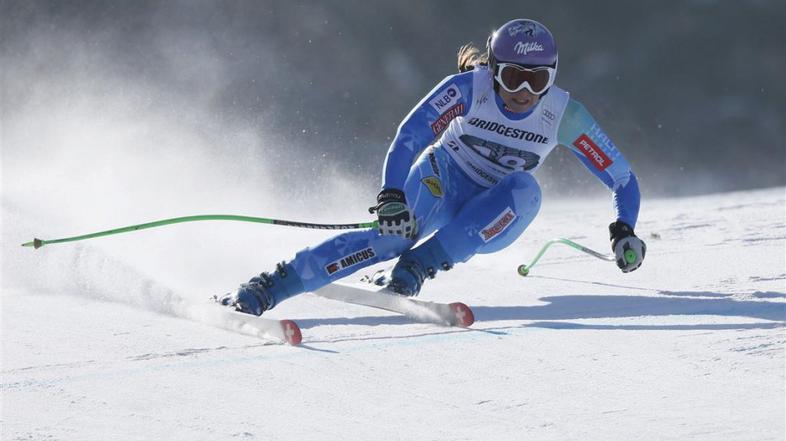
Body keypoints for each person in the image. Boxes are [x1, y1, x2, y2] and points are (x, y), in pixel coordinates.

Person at [217, 18, 646, 316]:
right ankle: (271, 285)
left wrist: (623, 229)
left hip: (492, 212)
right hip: (443, 178)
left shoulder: (564, 115)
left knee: (526, 189)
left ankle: (417, 267)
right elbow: (410, 135)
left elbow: (622, 179)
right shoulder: (467, 89)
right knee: (390, 240)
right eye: (513, 77)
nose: (523, 92)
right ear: (494, 71)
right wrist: (391, 195)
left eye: (538, 80)